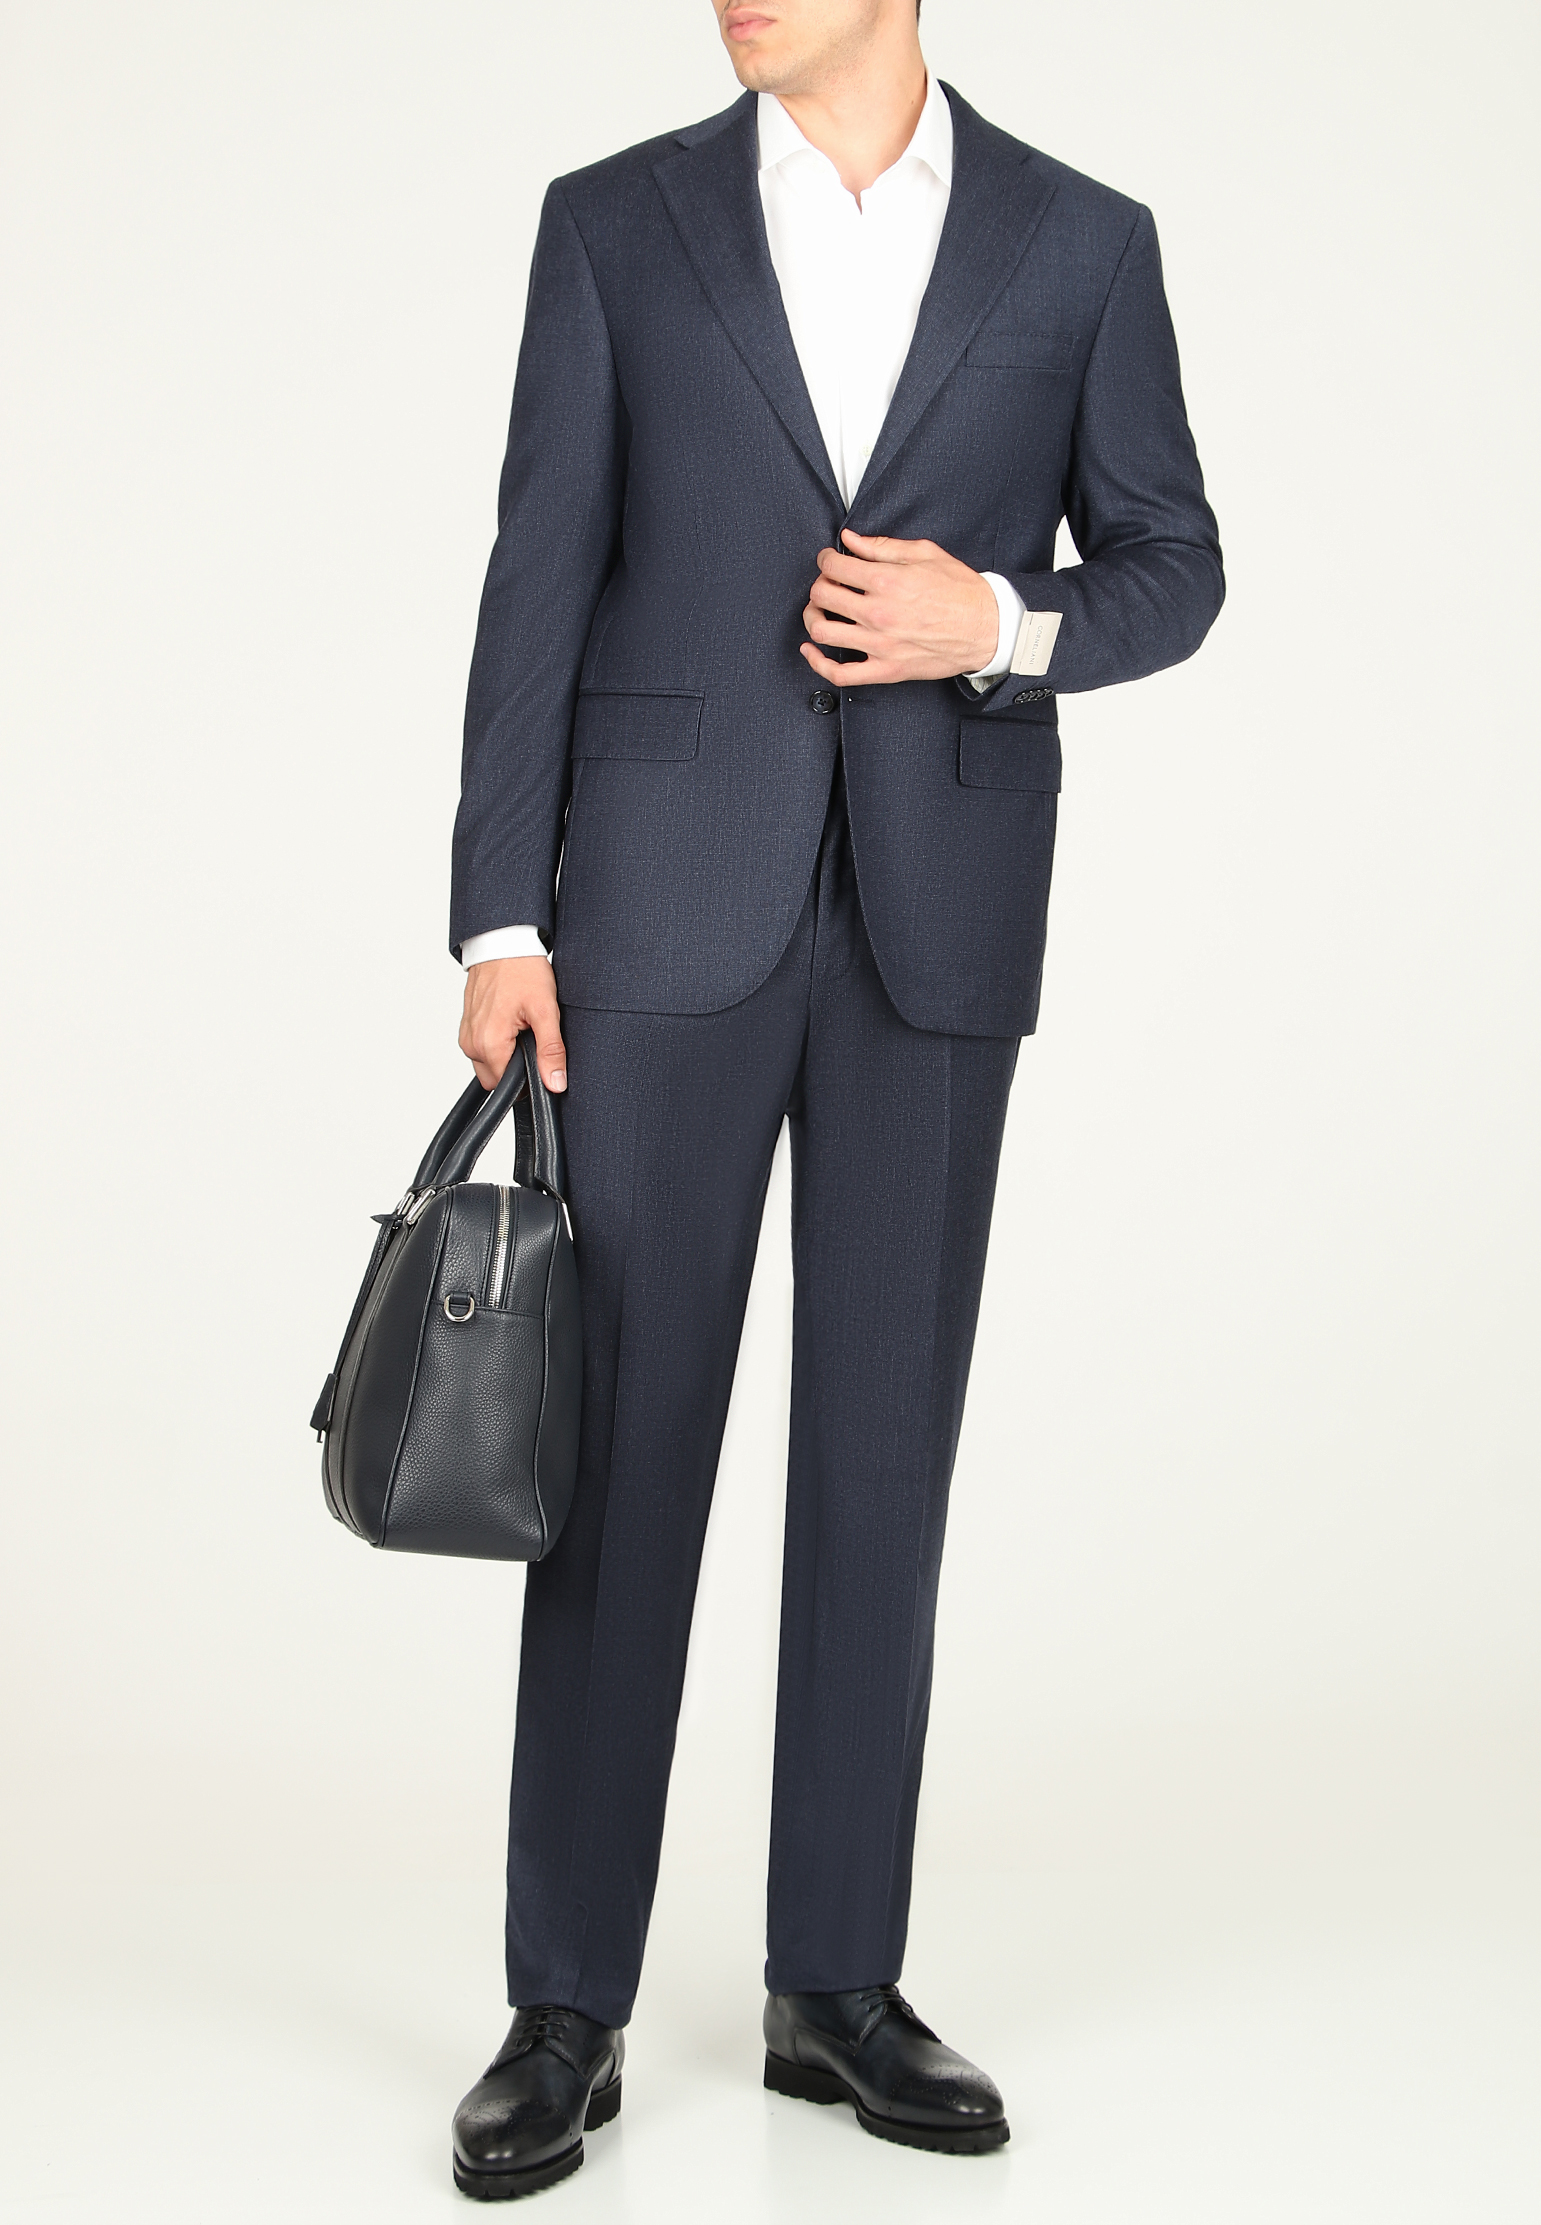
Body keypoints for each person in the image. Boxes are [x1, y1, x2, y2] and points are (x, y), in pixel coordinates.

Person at [446, 0, 1222, 2199]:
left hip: (933, 927)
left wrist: (1001, 619)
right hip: (650, 922)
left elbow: (1174, 561)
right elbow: (538, 564)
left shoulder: (1081, 242)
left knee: (884, 1460)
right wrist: (498, 915)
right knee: (619, 1467)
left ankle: (836, 1983)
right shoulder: (614, 224)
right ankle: (564, 2004)